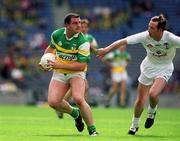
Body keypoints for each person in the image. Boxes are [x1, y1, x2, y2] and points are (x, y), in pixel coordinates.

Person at [97, 14, 180, 135]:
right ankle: (134, 125)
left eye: (152, 28)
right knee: (140, 100)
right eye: (148, 26)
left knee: (153, 94)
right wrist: (106, 50)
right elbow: (122, 41)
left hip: (164, 68)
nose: (148, 29)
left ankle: (151, 113)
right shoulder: (145, 36)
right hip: (148, 67)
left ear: (161, 30)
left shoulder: (171, 38)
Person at [39, 13, 98, 136]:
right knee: (53, 102)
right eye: (75, 23)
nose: (79, 25)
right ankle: (75, 114)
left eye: (80, 22)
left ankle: (92, 130)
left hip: (77, 73)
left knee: (78, 99)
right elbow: (51, 49)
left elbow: (81, 66)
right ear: (67, 25)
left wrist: (59, 65)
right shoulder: (56, 34)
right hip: (59, 72)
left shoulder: (83, 41)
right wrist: (44, 62)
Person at [56, 18, 98, 118]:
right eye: (82, 27)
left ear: (88, 28)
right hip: (74, 67)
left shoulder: (89, 38)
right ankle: (81, 109)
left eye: (85, 27)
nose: (83, 28)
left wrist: (91, 46)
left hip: (83, 66)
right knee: (85, 87)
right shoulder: (76, 37)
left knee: (78, 89)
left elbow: (95, 48)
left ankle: (62, 105)